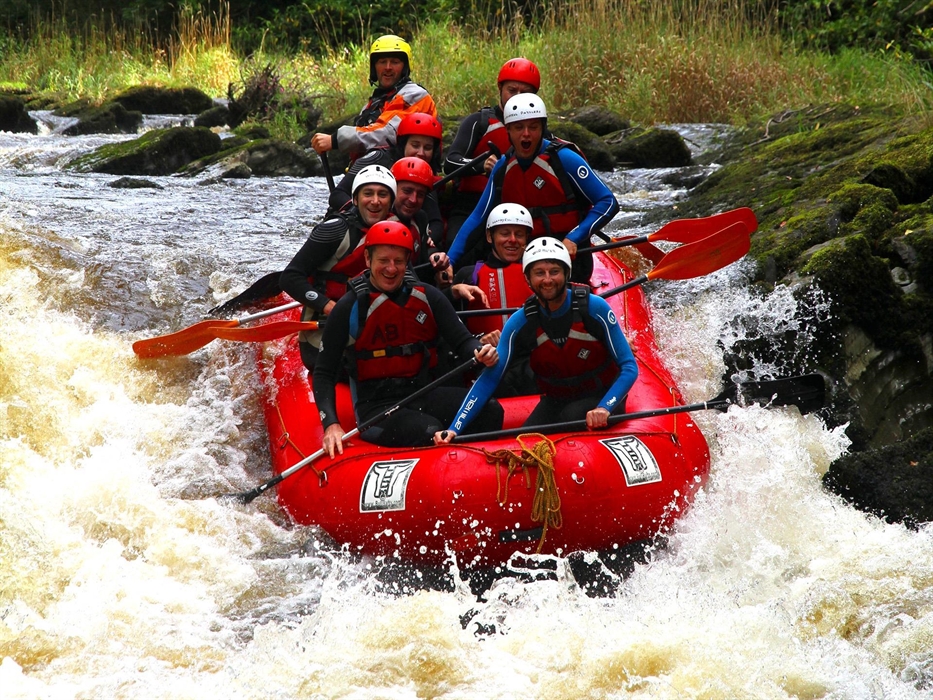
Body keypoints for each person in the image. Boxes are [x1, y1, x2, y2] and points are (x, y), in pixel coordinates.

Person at [312, 221, 504, 455]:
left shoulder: (428, 297)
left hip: (424, 393)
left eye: (399, 261)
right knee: (429, 430)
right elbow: (324, 372)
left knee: (490, 409)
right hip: (377, 409)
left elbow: (464, 342)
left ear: (407, 262)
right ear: (368, 259)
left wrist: (480, 351)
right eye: (383, 260)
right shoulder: (349, 307)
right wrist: (331, 424)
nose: (391, 269)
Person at [434, 237, 638, 444]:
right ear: (528, 279)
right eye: (539, 273)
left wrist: (605, 407)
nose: (547, 280)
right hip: (556, 399)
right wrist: (454, 428)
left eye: (554, 272)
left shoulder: (594, 308)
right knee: (524, 440)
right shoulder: (521, 321)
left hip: (603, 394)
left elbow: (629, 367)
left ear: (566, 273)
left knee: (572, 415)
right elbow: (489, 378)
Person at [445, 93, 620, 281]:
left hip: (567, 259)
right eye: (519, 127)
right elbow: (478, 217)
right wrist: (450, 261)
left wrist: (574, 238)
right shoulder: (502, 168)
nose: (526, 134)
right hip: (523, 260)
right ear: (508, 130)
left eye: (533, 127)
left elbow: (608, 202)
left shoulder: (564, 159)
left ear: (542, 128)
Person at [280, 164, 397, 370]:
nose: (375, 201)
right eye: (368, 193)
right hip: (325, 330)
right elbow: (290, 277)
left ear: (391, 202)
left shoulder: (396, 231)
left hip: (374, 327)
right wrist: (329, 307)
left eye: (383, 194)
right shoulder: (334, 230)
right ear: (355, 199)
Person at [442, 58, 541, 248]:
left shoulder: (538, 131)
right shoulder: (478, 122)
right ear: (500, 89)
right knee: (455, 243)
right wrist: (482, 165)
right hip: (471, 206)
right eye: (512, 90)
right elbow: (451, 162)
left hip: (518, 211)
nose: (517, 97)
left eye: (525, 93)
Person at [310, 35, 437, 162]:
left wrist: (336, 139)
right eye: (382, 62)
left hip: (409, 169)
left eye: (395, 62)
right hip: (378, 168)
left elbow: (386, 134)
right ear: (374, 67)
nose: (388, 67)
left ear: (405, 68)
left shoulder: (414, 95)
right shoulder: (373, 104)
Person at [328, 112, 445, 244]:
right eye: (415, 145)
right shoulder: (377, 158)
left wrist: (429, 239)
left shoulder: (424, 173)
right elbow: (337, 195)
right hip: (356, 220)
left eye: (427, 148)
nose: (421, 153)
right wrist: (367, 212)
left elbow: (435, 220)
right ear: (403, 144)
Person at [449, 202, 533, 339]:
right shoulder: (468, 275)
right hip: (483, 350)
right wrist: (452, 292)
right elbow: (446, 328)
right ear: (489, 236)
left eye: (519, 234)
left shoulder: (538, 274)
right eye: (505, 234)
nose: (513, 240)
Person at [389, 156, 450, 285]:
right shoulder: (380, 218)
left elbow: (424, 255)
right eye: (407, 191)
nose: (413, 200)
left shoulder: (420, 218)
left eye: (420, 194)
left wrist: (435, 259)